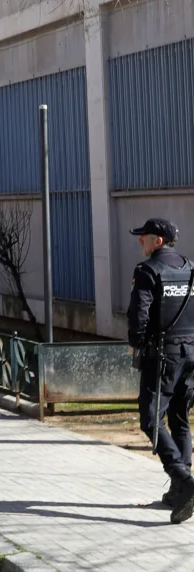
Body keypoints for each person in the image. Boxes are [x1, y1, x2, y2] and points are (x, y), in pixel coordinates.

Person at [126, 218, 194, 524]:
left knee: (151, 417)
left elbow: (139, 310)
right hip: (191, 352)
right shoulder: (190, 268)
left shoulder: (148, 271)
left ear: (159, 241)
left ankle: (185, 480)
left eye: (145, 237)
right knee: (179, 416)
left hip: (163, 354)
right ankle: (178, 493)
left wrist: (136, 343)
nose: (140, 241)